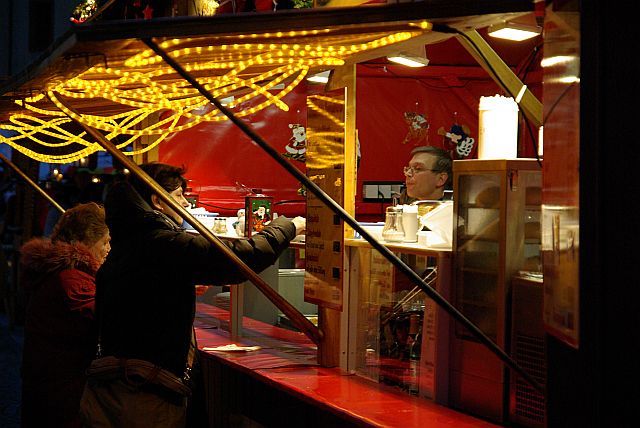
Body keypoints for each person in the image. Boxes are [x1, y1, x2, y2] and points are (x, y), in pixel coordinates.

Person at [80, 162, 305, 427]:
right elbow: (240, 259)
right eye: (178, 196)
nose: (185, 204)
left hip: (120, 387)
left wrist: (178, 285)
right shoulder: (162, 242)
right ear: (158, 201)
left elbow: (144, 294)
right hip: (149, 390)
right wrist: (287, 226)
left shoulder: (129, 240)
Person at [19, 202, 111, 428]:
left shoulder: (64, 270)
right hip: (64, 392)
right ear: (87, 242)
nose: (109, 249)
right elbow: (107, 320)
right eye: (106, 242)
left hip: (48, 384)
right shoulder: (72, 280)